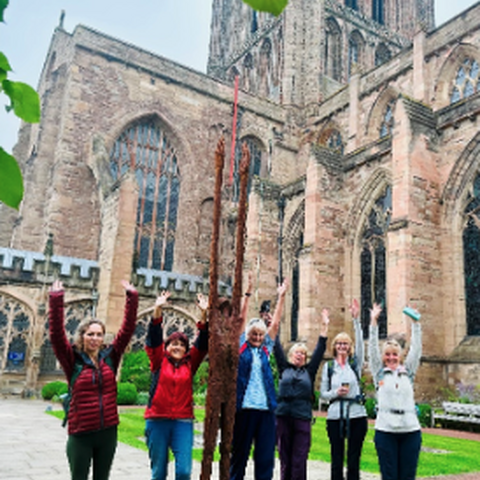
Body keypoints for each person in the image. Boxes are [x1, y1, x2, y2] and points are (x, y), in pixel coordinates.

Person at [48, 278, 139, 480]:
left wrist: (132, 297)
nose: (95, 338)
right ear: (82, 336)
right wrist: (56, 300)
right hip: (81, 433)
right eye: (90, 334)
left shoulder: (110, 357)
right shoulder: (72, 360)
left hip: (108, 432)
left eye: (99, 334)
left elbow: (127, 331)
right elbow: (56, 335)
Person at [144, 290, 209, 480]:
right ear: (166, 347)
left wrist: (204, 314)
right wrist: (158, 308)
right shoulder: (158, 360)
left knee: (183, 471)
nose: (177, 347)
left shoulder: (191, 363)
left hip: (183, 421)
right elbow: (154, 337)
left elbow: (203, 342)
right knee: (158, 472)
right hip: (157, 420)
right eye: (173, 344)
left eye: (182, 344)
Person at [230, 279, 288, 480]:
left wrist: (281, 296)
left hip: (265, 410)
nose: (257, 337)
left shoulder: (266, 349)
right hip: (244, 409)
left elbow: (277, 323)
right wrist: (246, 296)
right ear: (248, 335)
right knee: (239, 457)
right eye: (253, 334)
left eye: (260, 334)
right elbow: (240, 321)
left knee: (265, 459)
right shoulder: (241, 347)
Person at [274, 308, 330, 480]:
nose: (300, 355)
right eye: (297, 352)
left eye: (303, 354)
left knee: (299, 458)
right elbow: (275, 346)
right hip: (283, 415)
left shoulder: (309, 372)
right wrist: (273, 324)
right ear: (291, 355)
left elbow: (320, 350)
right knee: (285, 457)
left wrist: (324, 327)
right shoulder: (284, 367)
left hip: (302, 416)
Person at [368, 304, 422, 480]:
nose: (391, 358)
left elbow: (416, 350)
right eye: (388, 355)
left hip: (410, 430)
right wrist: (373, 321)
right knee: (389, 475)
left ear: (400, 357)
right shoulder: (379, 373)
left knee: (407, 476)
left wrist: (416, 324)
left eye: (394, 355)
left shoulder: (409, 372)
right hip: (385, 430)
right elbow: (373, 352)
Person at [320, 299, 368, 480]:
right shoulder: (329, 368)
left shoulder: (355, 364)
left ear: (349, 347)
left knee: (354, 458)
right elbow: (323, 394)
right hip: (335, 415)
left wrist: (356, 320)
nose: (342, 346)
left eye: (345, 344)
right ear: (335, 347)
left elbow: (362, 346)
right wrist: (335, 393)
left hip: (356, 414)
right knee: (336, 458)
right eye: (339, 344)